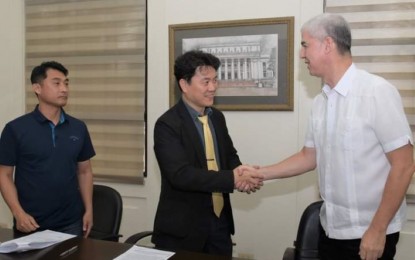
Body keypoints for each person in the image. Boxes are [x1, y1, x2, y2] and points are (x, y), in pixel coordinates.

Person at [256, 14, 414, 260]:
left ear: (327, 44)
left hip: (369, 233)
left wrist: (377, 229)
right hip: (329, 230)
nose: (301, 54)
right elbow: (309, 157)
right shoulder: (321, 102)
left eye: (305, 45)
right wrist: (260, 173)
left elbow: (404, 165)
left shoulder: (377, 92)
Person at [152, 50, 264, 256]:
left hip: (220, 224)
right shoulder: (167, 124)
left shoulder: (217, 118)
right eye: (205, 82)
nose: (213, 88)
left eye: (215, 80)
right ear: (184, 85)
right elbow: (180, 175)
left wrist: (243, 173)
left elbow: (229, 155)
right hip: (183, 231)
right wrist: (232, 178)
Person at [0, 61, 95, 237]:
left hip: (71, 223)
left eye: (66, 83)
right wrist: (18, 213)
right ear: (37, 88)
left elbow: (85, 172)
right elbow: (4, 175)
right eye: (57, 83)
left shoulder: (78, 127)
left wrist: (88, 209)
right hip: (30, 223)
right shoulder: (15, 129)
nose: (64, 89)